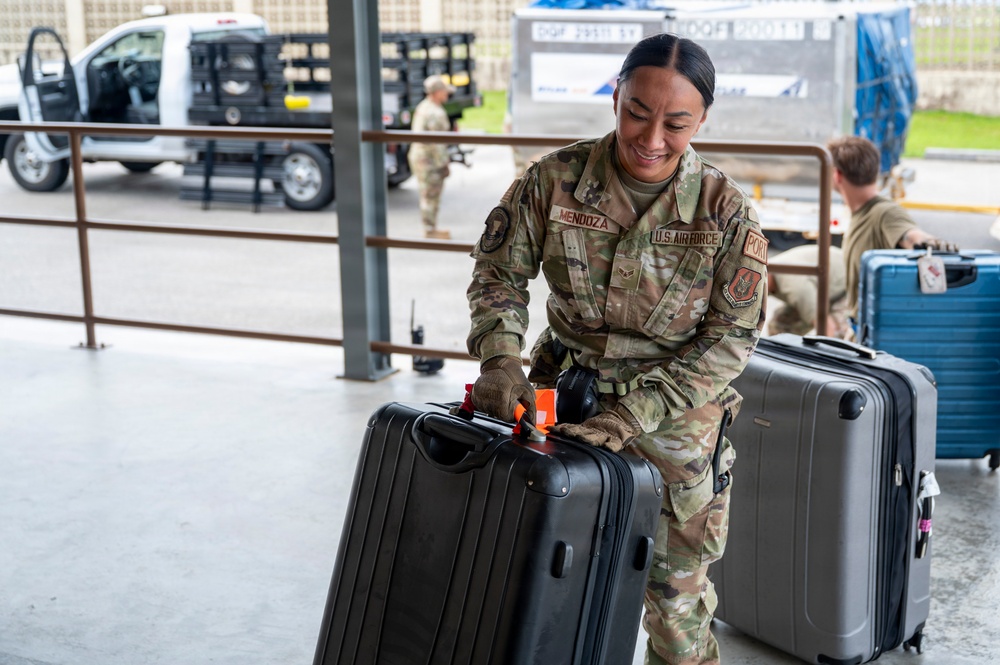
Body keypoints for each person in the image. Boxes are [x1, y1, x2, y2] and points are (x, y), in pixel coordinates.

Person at [466, 33, 767, 665]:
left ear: (702, 121)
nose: (652, 138)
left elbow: (729, 339)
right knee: (536, 577)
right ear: (615, 98)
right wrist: (500, 358)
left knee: (676, 603)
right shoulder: (553, 180)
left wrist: (634, 413)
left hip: (674, 419)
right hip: (560, 400)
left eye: (676, 124)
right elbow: (499, 274)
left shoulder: (726, 213)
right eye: (637, 112)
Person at [827, 135, 958, 318]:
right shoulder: (863, 212)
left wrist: (930, 243)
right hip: (860, 328)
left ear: (837, 175)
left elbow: (912, 236)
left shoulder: (884, 212)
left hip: (874, 337)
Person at [768, 244, 851, 338]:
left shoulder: (795, 286)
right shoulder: (768, 267)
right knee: (780, 326)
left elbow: (826, 326)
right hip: (824, 286)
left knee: (837, 334)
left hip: (848, 285)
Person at [408, 74, 455, 239]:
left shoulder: (425, 106)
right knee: (430, 194)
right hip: (429, 159)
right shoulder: (435, 112)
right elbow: (437, 143)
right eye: (444, 91)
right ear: (436, 92)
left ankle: (430, 226)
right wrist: (444, 164)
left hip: (420, 156)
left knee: (427, 193)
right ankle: (429, 229)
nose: (447, 94)